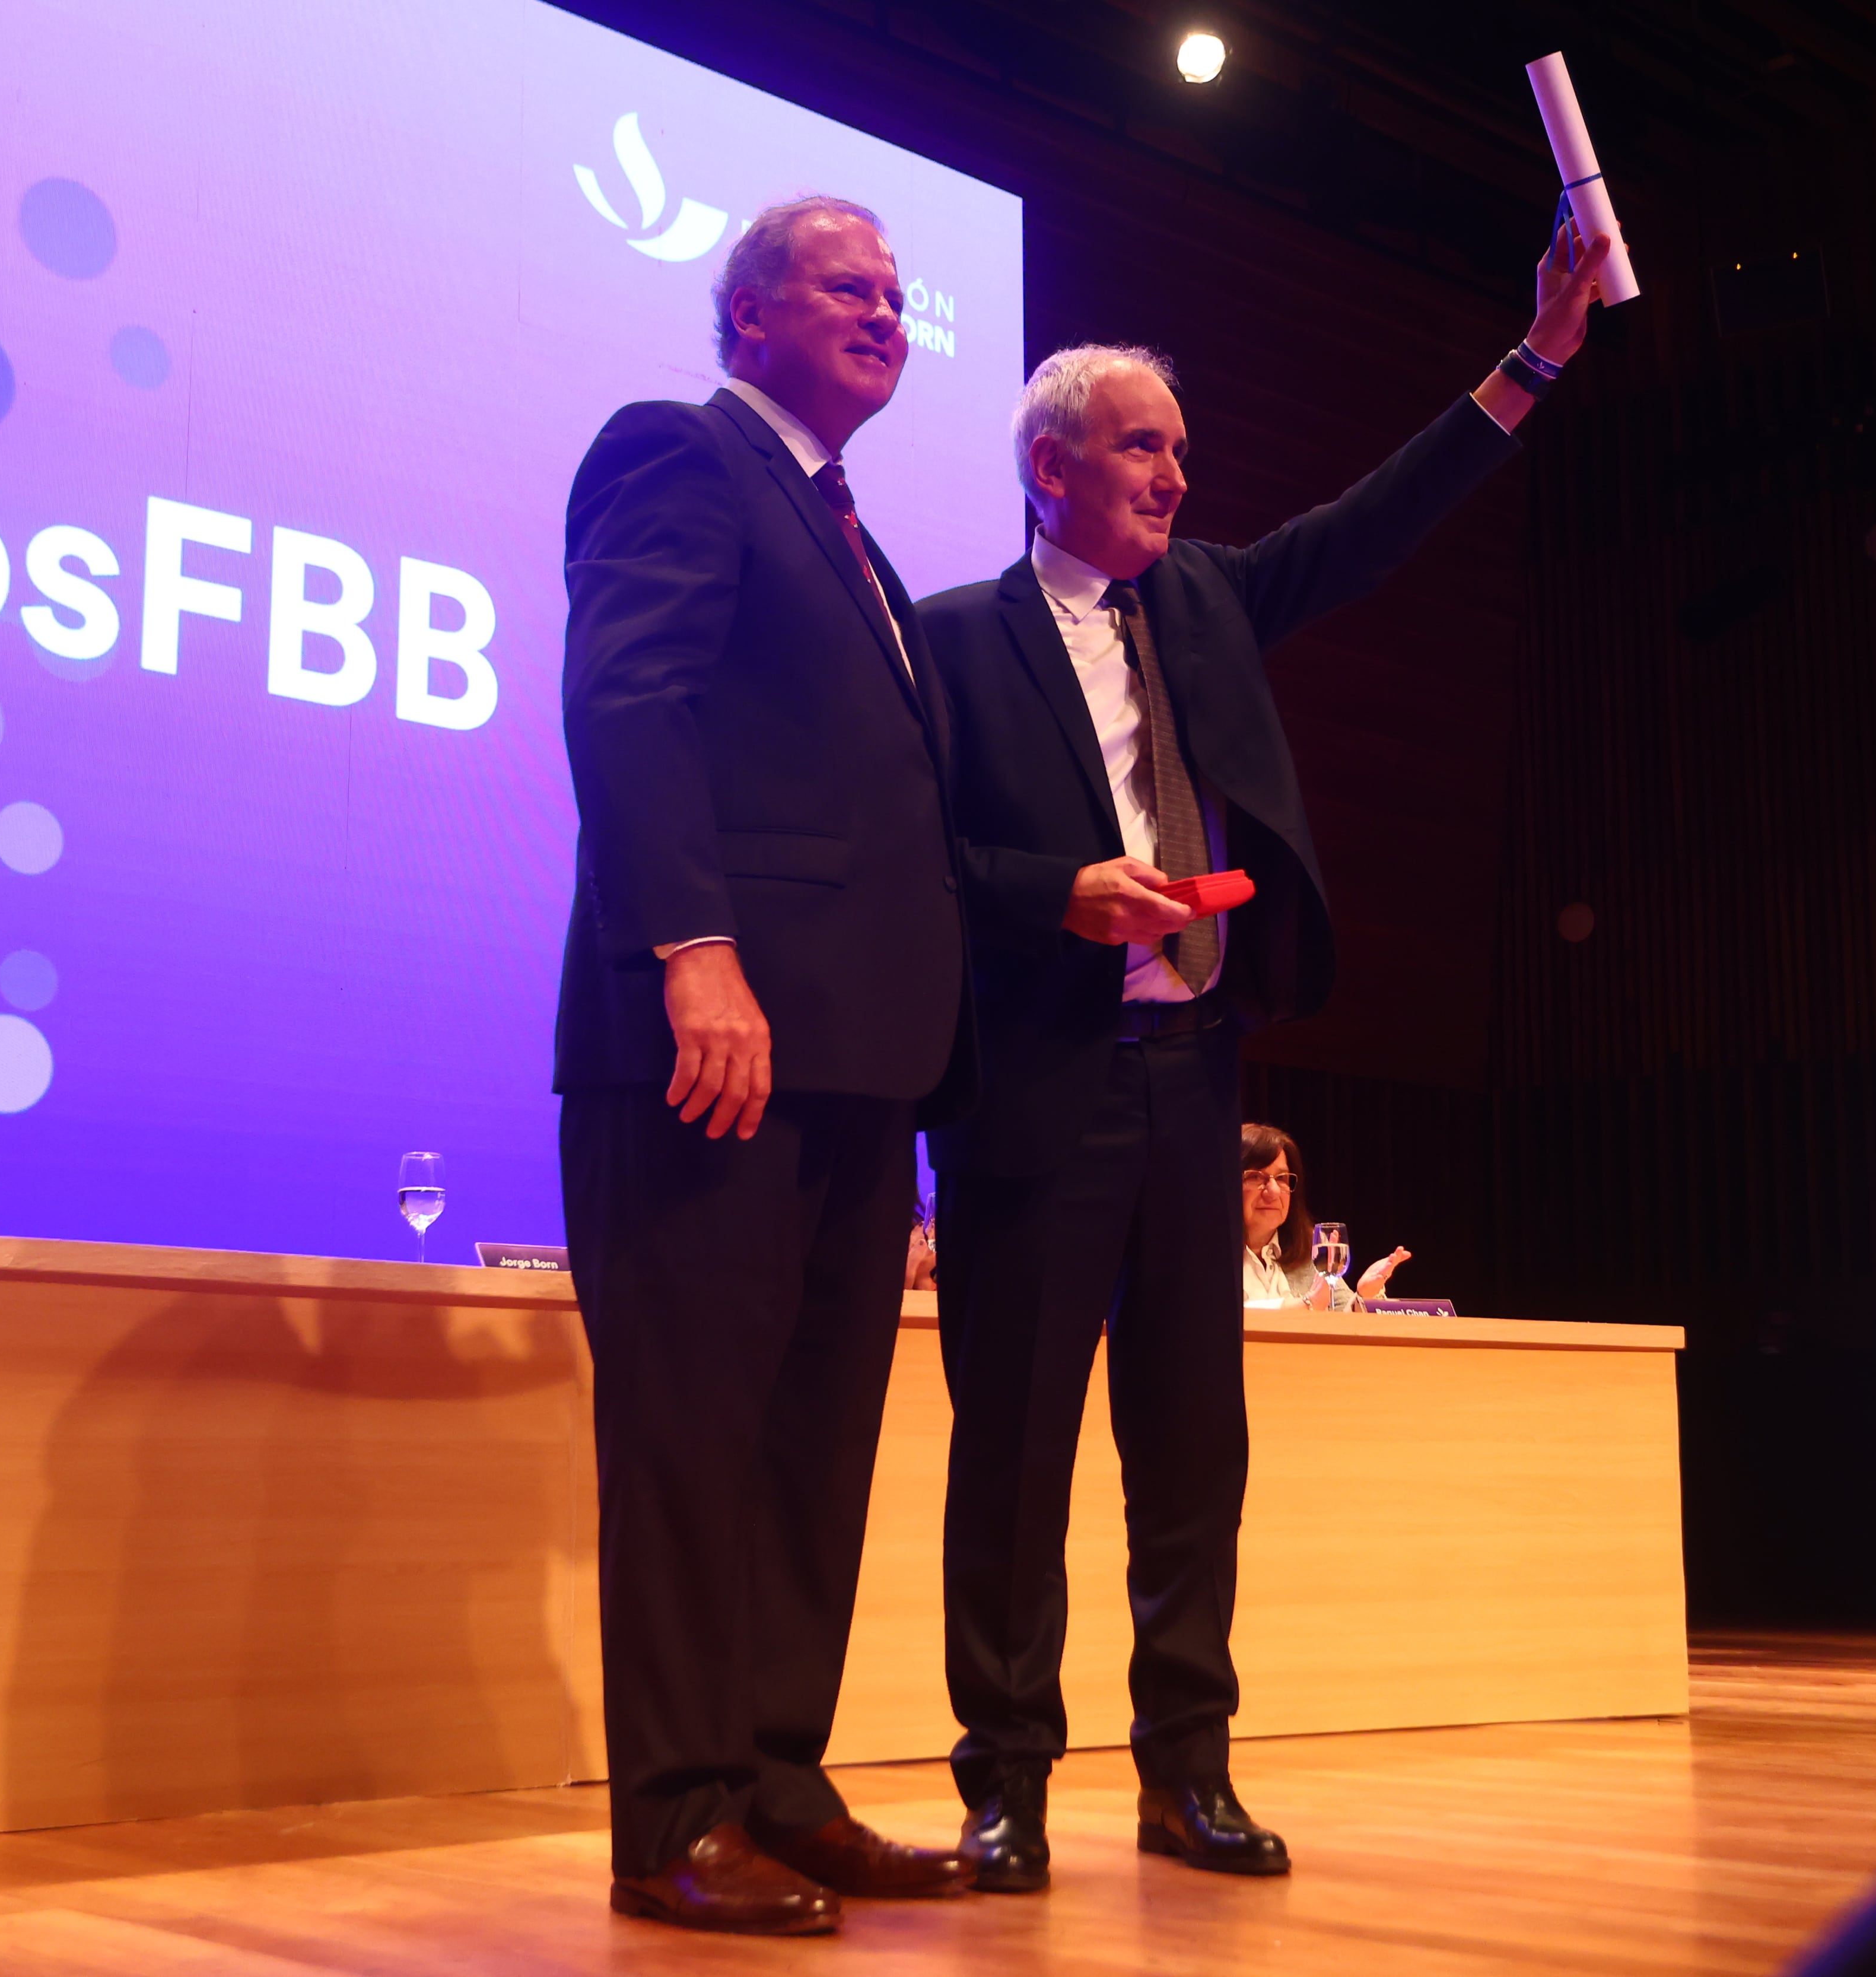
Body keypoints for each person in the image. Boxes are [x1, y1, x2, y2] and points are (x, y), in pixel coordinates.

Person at [921, 219, 1615, 1891]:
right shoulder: (952, 637)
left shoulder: (1212, 598)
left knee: (1191, 1450)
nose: (1177, 471)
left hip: (1188, 1081)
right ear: (1049, 465)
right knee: (1012, 1452)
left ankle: (1189, 1777)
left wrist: (1535, 357)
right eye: (1142, 444)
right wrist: (1057, 895)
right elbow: (918, 859)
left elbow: (1378, 526)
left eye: (1179, 444)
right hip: (1034, 1082)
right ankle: (1004, 1785)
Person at [555, 193, 977, 1936]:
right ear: (748, 323)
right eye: (844, 286)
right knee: (693, 1443)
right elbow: (626, 699)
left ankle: (777, 1784)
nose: (885, 310)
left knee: (812, 1450)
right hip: (708, 1053)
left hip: (856, 1074)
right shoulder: (681, 454)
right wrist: (691, 951)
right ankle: (669, 1819)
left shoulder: (855, 539)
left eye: (895, 290)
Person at [1239, 1123, 1409, 1308]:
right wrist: (1306, 1306)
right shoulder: (1207, 1254)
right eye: (1256, 1177)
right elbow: (1221, 1319)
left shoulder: (1310, 1245)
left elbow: (1340, 1324)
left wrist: (1363, 1298)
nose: (1273, 1191)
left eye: (1281, 1178)